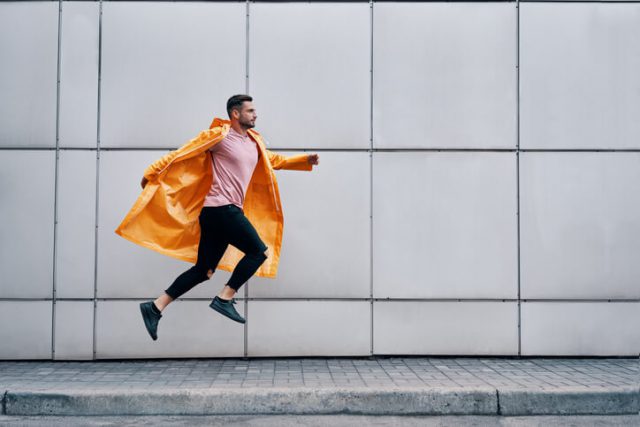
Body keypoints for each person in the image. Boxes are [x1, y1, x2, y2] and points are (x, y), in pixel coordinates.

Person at [115, 95, 319, 340]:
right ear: (235, 113)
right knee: (258, 252)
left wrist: (304, 160)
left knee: (204, 270)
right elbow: (181, 153)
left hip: (219, 213)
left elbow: (273, 160)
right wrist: (151, 174)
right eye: (250, 111)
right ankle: (225, 297)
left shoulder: (255, 142)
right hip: (222, 209)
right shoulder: (219, 137)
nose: (255, 115)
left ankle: (156, 306)